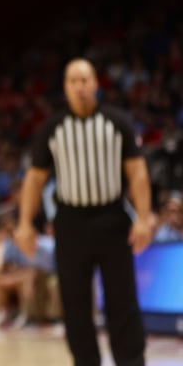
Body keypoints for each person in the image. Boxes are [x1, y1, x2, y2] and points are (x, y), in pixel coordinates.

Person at [15, 57, 154, 366]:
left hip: (112, 218)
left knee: (122, 299)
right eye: (73, 81)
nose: (79, 86)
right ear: (65, 88)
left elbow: (138, 172)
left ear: (96, 84)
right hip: (71, 223)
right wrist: (24, 223)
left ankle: (131, 361)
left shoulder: (118, 123)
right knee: (75, 303)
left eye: (85, 80)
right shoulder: (51, 129)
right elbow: (35, 179)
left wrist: (144, 218)